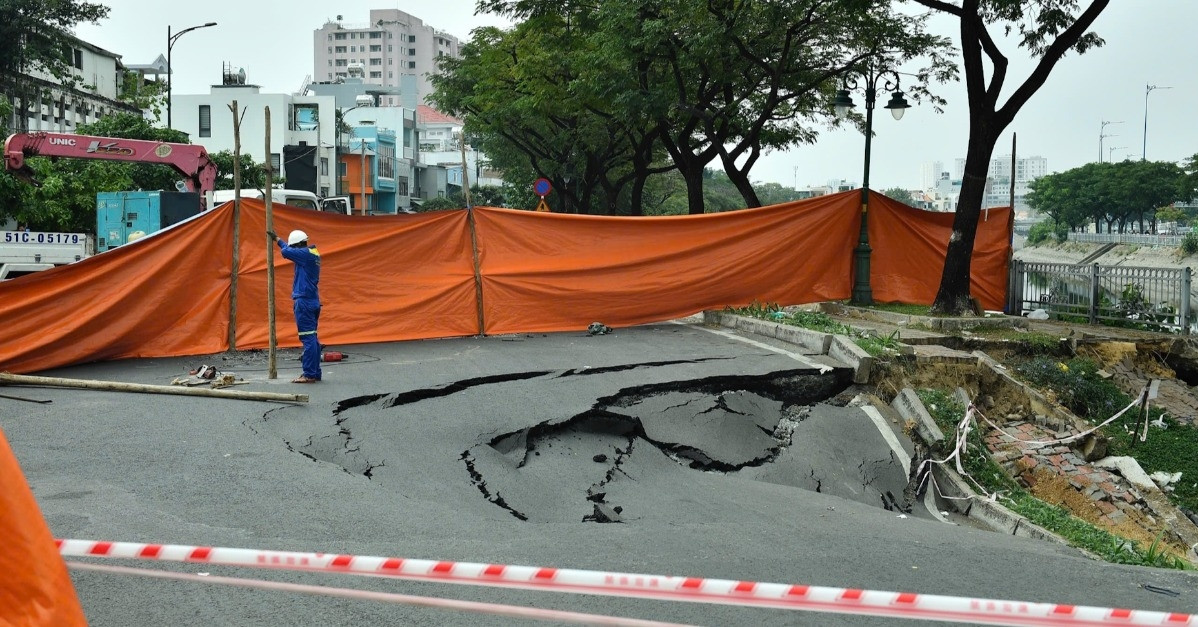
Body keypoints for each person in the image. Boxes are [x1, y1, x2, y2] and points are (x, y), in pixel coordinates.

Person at [267, 228, 322, 383]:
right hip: (312, 300)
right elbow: (288, 248)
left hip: (304, 301)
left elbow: (286, 252)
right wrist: (277, 239)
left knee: (308, 339)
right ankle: (315, 372)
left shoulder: (304, 255)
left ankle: (309, 374)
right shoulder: (312, 254)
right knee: (313, 337)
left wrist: (280, 243)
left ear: (298, 245)